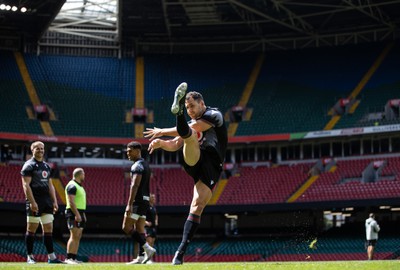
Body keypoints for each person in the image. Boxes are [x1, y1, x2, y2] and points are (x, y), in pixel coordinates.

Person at [144, 82, 227, 265]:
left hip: (211, 165)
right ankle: (177, 111)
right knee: (189, 137)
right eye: (187, 107)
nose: (191, 110)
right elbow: (174, 144)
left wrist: (160, 132)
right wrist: (161, 143)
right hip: (194, 160)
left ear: (202, 104)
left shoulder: (214, 115)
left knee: (196, 206)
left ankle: (179, 253)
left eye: (191, 106)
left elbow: (195, 127)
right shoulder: (192, 123)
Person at [20, 141, 64, 264]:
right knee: (31, 229)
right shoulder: (28, 165)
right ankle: (30, 256)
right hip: (35, 200)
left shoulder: (46, 166)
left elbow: (50, 185)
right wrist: (32, 202)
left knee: (49, 228)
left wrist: (54, 201)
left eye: (42, 148)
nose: (40, 150)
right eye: (37, 148)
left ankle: (52, 257)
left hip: (47, 202)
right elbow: (26, 185)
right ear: (32, 150)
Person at [122, 141, 156, 264]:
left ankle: (147, 248)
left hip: (138, 201)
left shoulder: (136, 166)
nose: (128, 154)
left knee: (126, 227)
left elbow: (135, 185)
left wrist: (129, 204)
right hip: (145, 201)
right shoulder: (145, 165)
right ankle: (141, 257)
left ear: (137, 151)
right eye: (126, 151)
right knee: (140, 228)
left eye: (130, 151)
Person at [64, 168, 87, 264]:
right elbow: (71, 202)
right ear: (79, 175)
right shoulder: (72, 186)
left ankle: (73, 257)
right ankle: (68, 258)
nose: (84, 176)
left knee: (78, 236)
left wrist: (82, 214)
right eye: (83, 174)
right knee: (73, 235)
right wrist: (77, 214)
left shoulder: (79, 186)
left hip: (80, 212)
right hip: (73, 213)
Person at [144, 193, 158, 264]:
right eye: (152, 198)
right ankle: (146, 258)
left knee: (152, 243)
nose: (154, 199)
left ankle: (149, 259)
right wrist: (146, 223)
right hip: (147, 227)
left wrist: (156, 221)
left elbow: (156, 215)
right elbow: (142, 216)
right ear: (149, 199)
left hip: (153, 228)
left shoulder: (154, 207)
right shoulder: (146, 207)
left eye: (154, 198)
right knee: (148, 242)